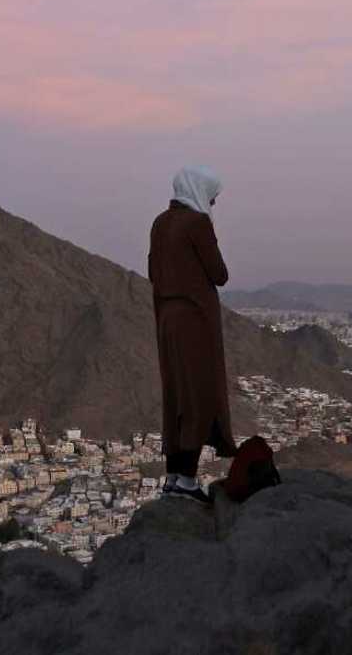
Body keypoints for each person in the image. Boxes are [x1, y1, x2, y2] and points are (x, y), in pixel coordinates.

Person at [148, 166, 236, 504]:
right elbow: (220, 273)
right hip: (194, 320)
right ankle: (186, 480)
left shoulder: (160, 223)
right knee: (199, 395)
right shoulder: (198, 223)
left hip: (167, 318)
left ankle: (173, 475)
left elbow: (153, 269)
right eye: (212, 194)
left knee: (177, 396)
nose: (213, 200)